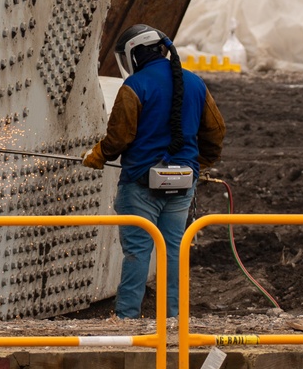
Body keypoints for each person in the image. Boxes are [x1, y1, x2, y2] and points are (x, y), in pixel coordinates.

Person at [83, 24, 226, 319]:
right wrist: (197, 164)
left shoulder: (135, 87)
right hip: (182, 184)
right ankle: (174, 320)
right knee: (173, 251)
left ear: (133, 54)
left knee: (137, 251)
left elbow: (119, 137)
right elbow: (216, 131)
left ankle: (127, 319)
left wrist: (98, 155)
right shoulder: (195, 83)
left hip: (139, 185)